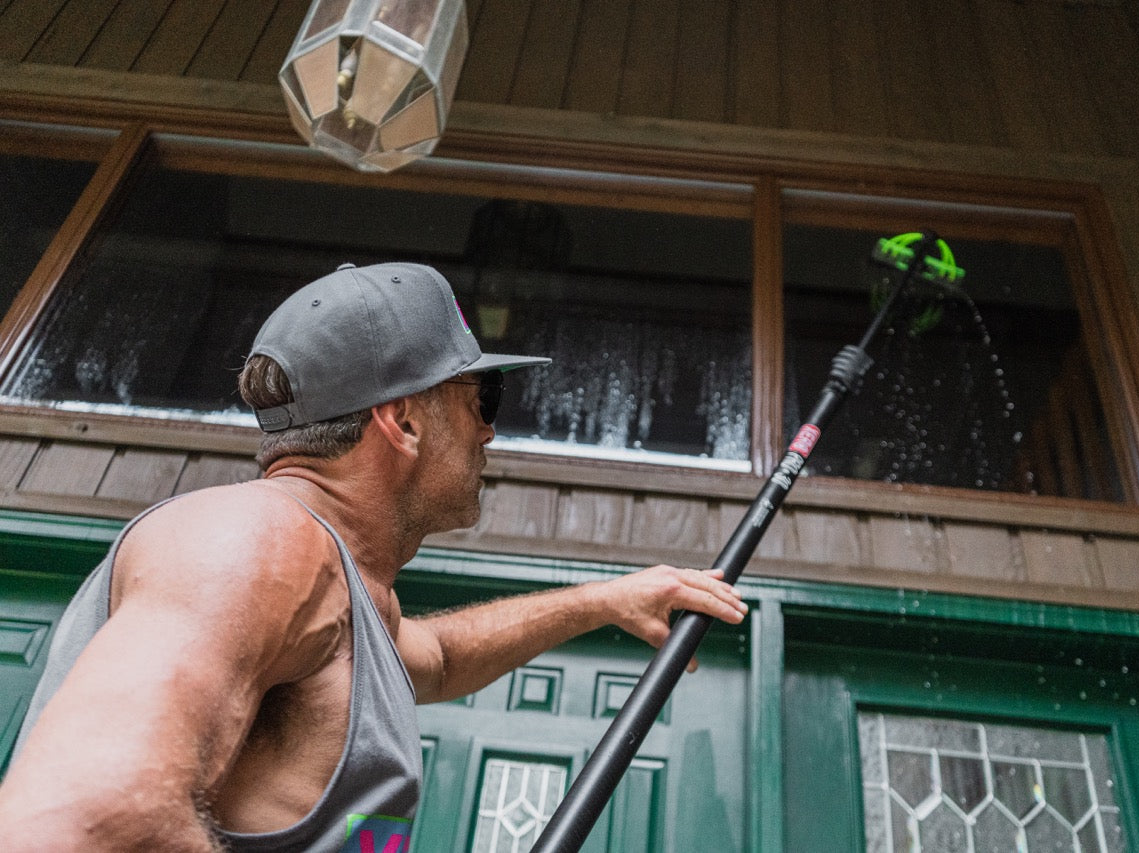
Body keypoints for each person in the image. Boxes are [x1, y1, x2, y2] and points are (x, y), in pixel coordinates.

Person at [0, 262, 747, 852]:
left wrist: (607, 600)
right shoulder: (255, 542)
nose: (490, 433)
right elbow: (88, 822)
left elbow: (442, 656)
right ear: (405, 420)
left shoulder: (343, 599)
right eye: (481, 399)